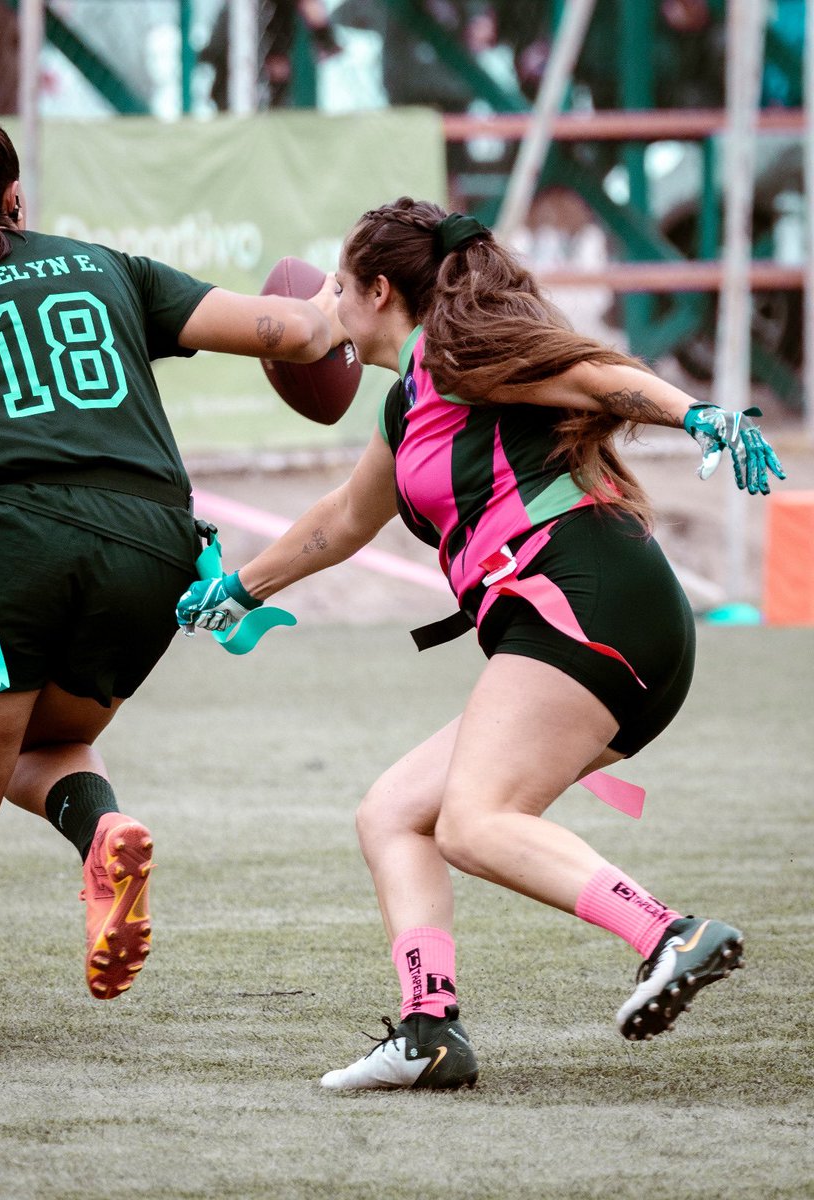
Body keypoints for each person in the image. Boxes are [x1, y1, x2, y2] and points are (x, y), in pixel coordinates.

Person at [177, 197, 785, 1090]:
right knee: (394, 813)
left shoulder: (458, 355)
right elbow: (345, 520)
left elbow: (590, 374)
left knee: (471, 821)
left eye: (343, 286)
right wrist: (238, 590)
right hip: (576, 617)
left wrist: (696, 416)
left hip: (589, 601)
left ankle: (671, 934)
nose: (333, 304)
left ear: (380, 291)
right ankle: (430, 1031)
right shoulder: (406, 401)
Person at [0, 113, 340, 1055]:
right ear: (12, 192)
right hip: (157, 543)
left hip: (23, 543)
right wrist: (339, 304)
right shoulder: (109, 266)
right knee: (49, 741)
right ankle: (102, 828)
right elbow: (291, 332)